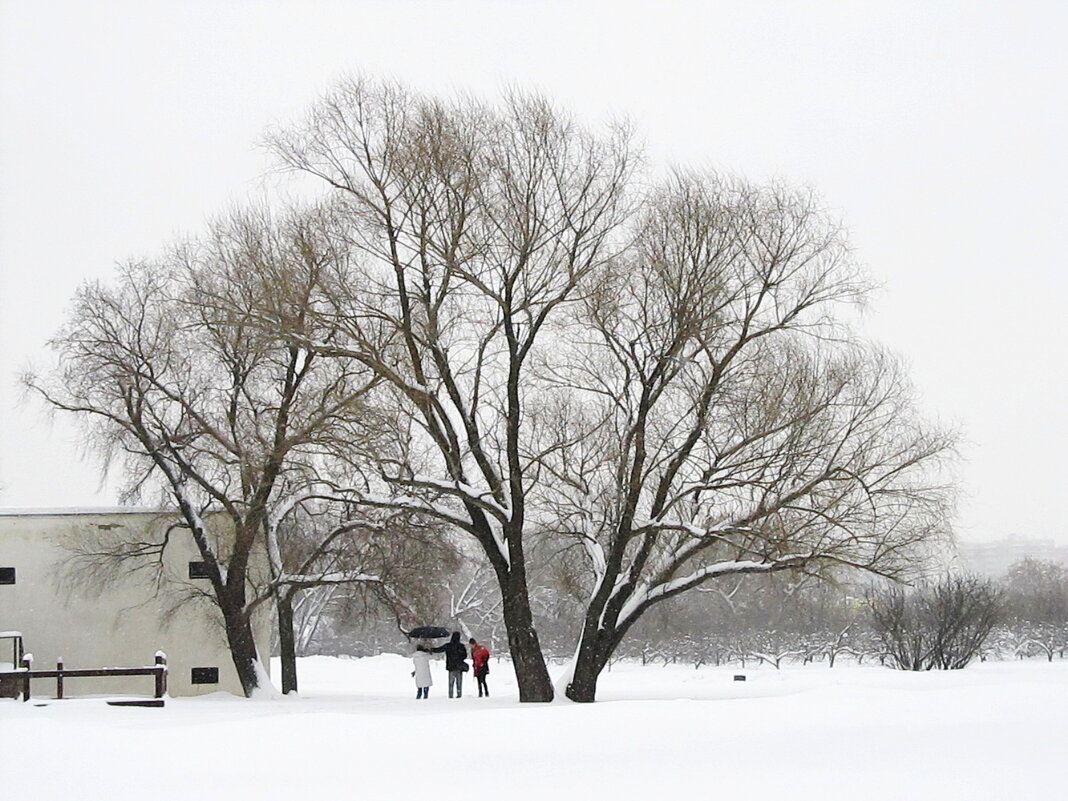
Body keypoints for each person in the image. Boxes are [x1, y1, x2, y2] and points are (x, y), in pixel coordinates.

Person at [432, 631, 468, 698]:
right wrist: (459, 658)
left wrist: (430, 649)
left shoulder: (448, 646)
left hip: (451, 667)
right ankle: (459, 694)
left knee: (451, 683)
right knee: (459, 683)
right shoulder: (461, 646)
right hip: (459, 667)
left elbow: (439, 650)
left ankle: (450, 695)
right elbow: (465, 656)